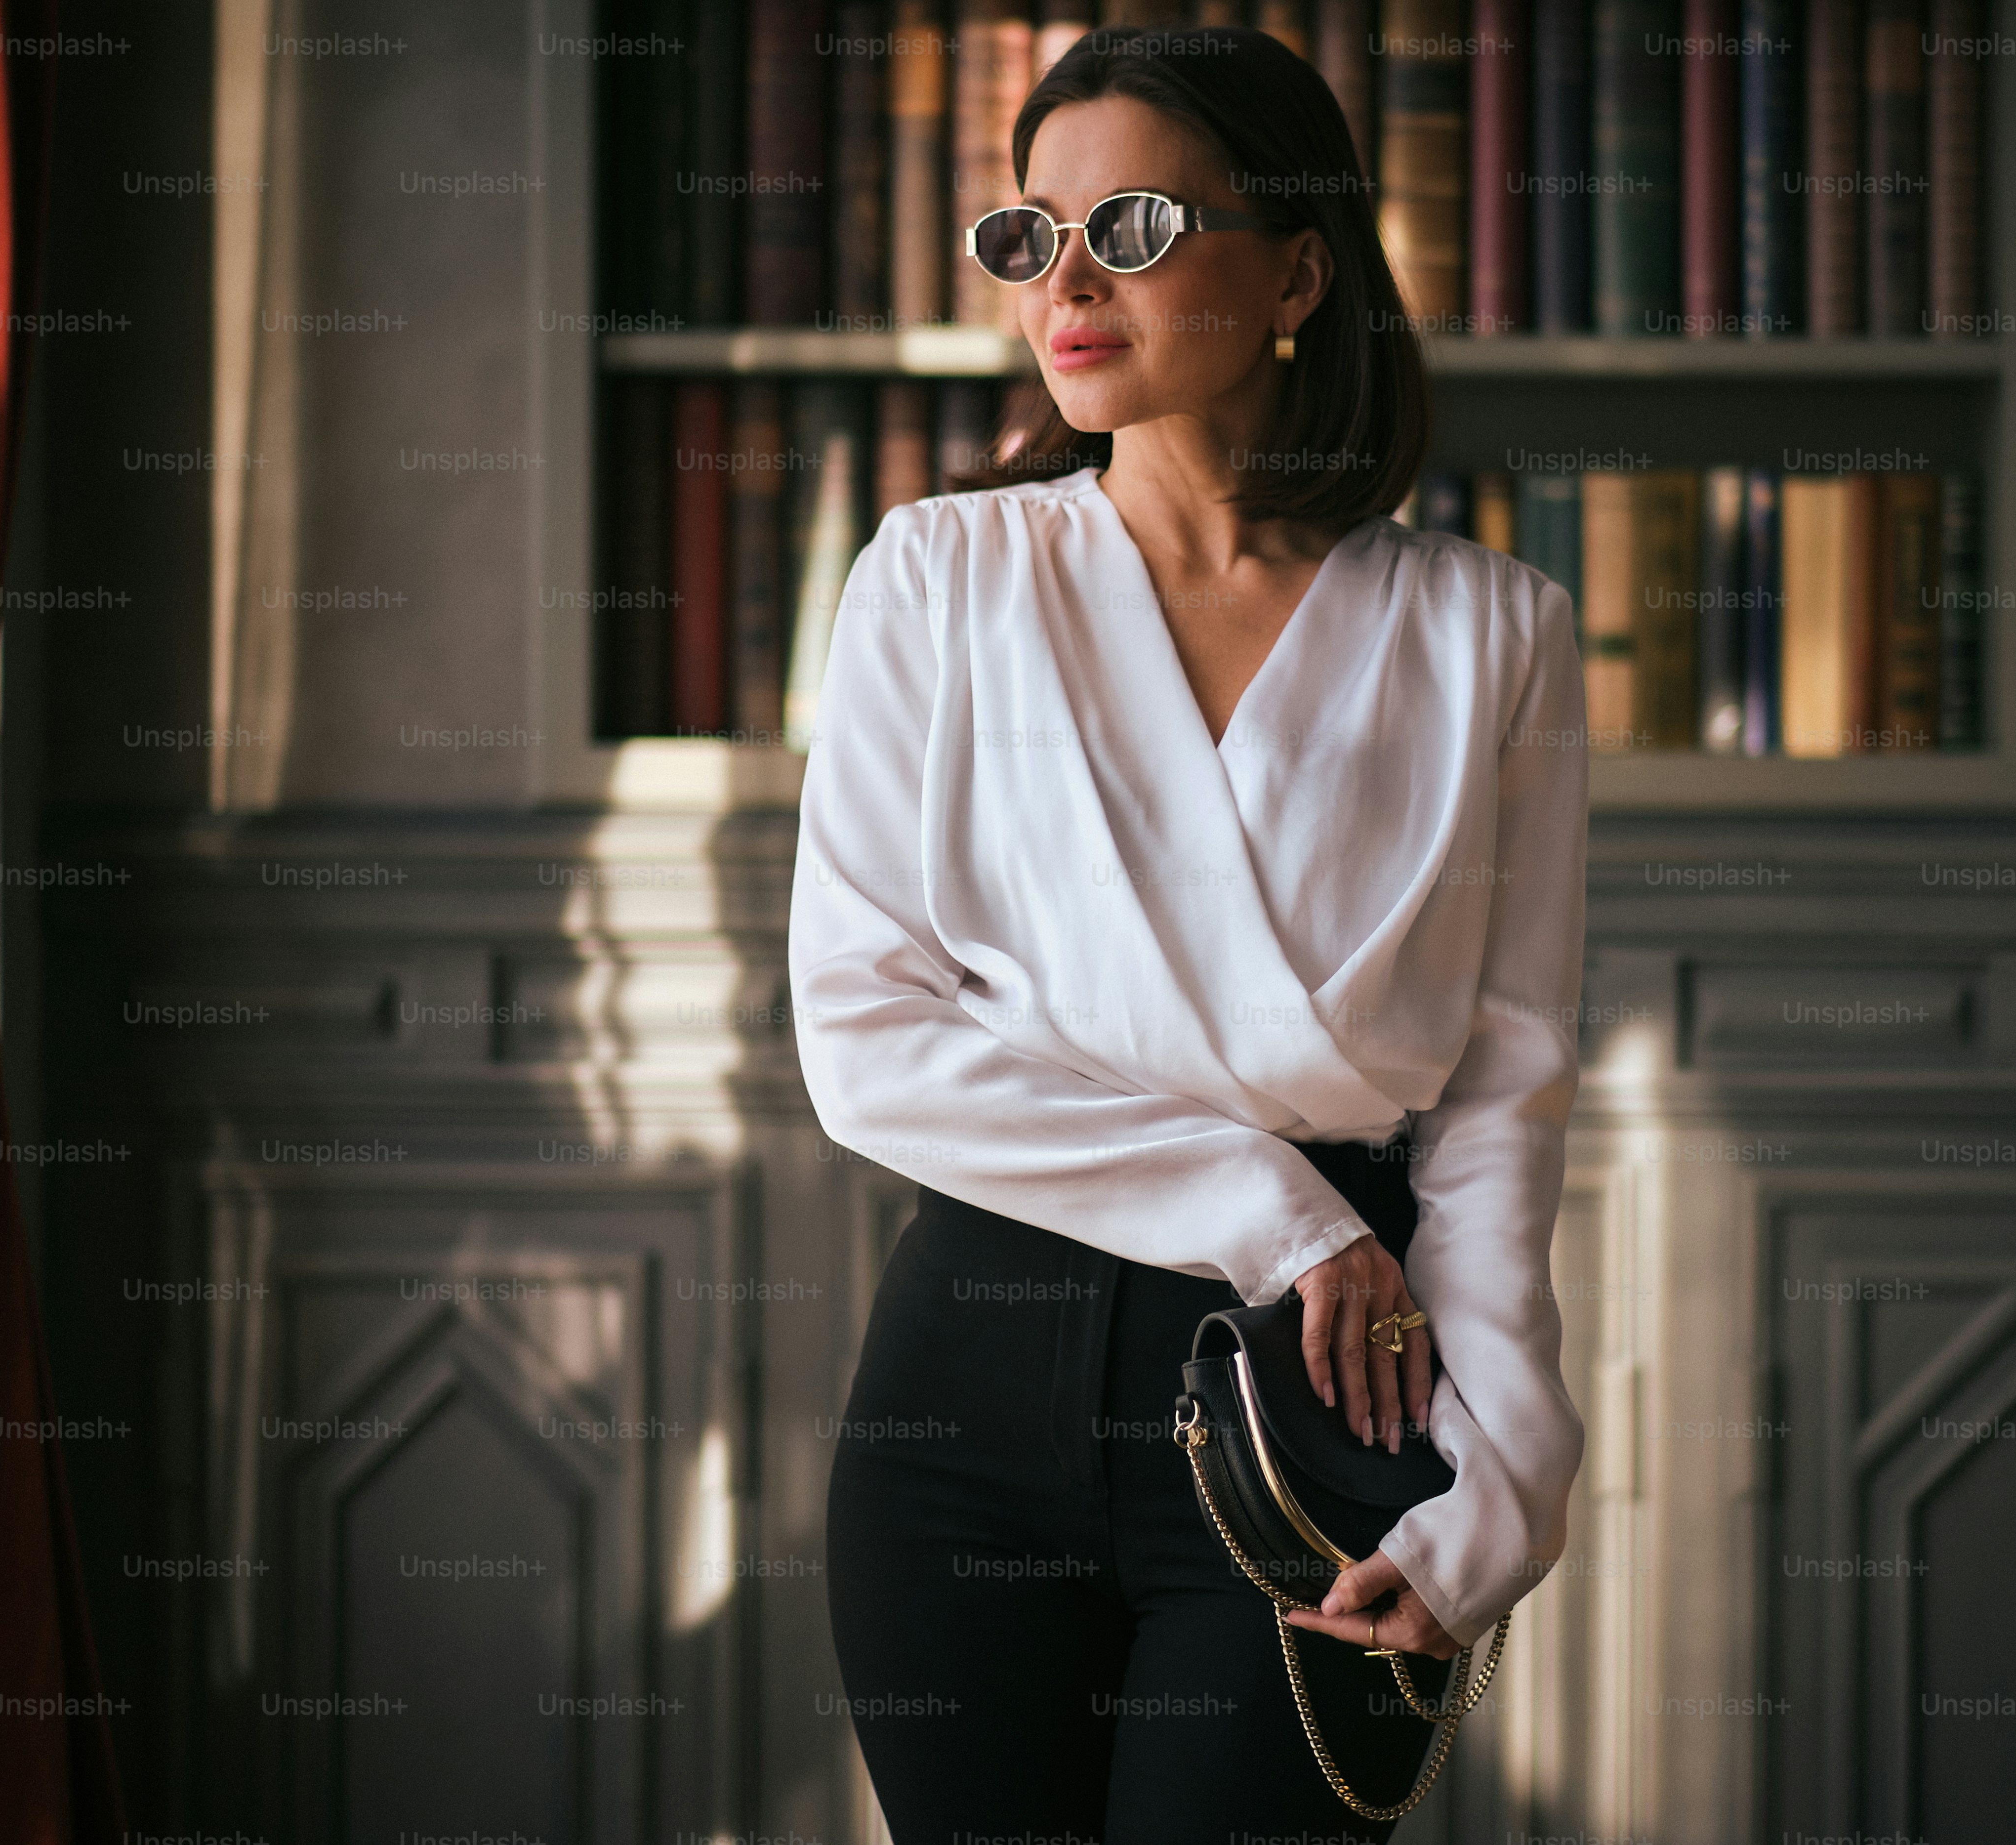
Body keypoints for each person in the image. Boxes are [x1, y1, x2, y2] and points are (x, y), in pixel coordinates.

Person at [789, 25, 1588, 1843]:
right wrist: (1278, 1213)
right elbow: (865, 1035)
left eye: (1136, 226)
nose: (1066, 285)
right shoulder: (936, 580)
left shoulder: (1492, 634)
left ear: (1299, 272)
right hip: (966, 1390)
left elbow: (1504, 1092)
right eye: (1029, 235)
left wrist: (1507, 1485)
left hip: (1329, 1397)